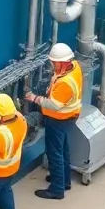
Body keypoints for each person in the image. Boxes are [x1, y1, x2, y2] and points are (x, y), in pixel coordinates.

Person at [27, 42, 83, 201]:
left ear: (63, 63)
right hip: (69, 118)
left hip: (59, 120)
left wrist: (35, 98)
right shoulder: (74, 67)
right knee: (63, 150)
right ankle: (64, 181)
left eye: (54, 62)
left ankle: (57, 190)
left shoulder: (66, 82)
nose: (52, 65)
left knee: (55, 153)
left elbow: (54, 105)